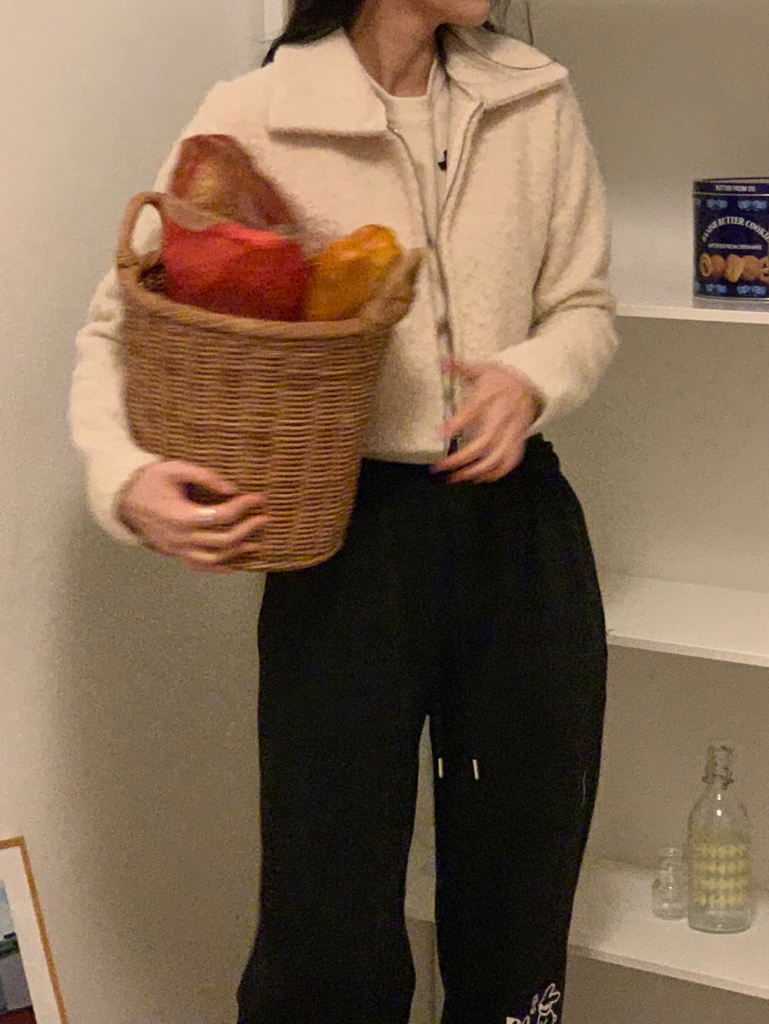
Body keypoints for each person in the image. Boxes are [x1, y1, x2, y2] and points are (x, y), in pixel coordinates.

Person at [70, 1, 618, 1021]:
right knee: (325, 913)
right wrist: (124, 475)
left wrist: (529, 378)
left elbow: (581, 305)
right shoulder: (259, 110)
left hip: (520, 534)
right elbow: (121, 322)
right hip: (349, 544)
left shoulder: (535, 98)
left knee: (521, 888)